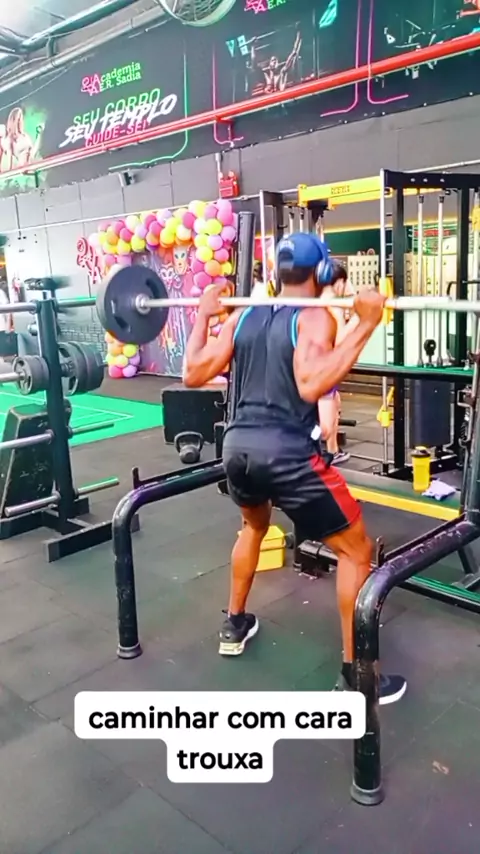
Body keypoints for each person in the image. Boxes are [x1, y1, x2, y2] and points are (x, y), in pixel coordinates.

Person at [183, 232, 406, 704]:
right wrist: (365, 325)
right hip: (285, 454)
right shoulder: (313, 316)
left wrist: (202, 316)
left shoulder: (245, 315)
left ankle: (234, 623)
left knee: (253, 526)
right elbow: (311, 384)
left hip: (237, 449)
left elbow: (193, 373)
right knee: (356, 551)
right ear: (321, 271)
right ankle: (358, 676)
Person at [317, 261, 357, 465]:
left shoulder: (314, 301)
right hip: (325, 366)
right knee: (326, 422)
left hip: (315, 364)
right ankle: (322, 452)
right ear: (340, 282)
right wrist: (360, 320)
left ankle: (332, 450)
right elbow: (340, 341)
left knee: (335, 403)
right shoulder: (334, 305)